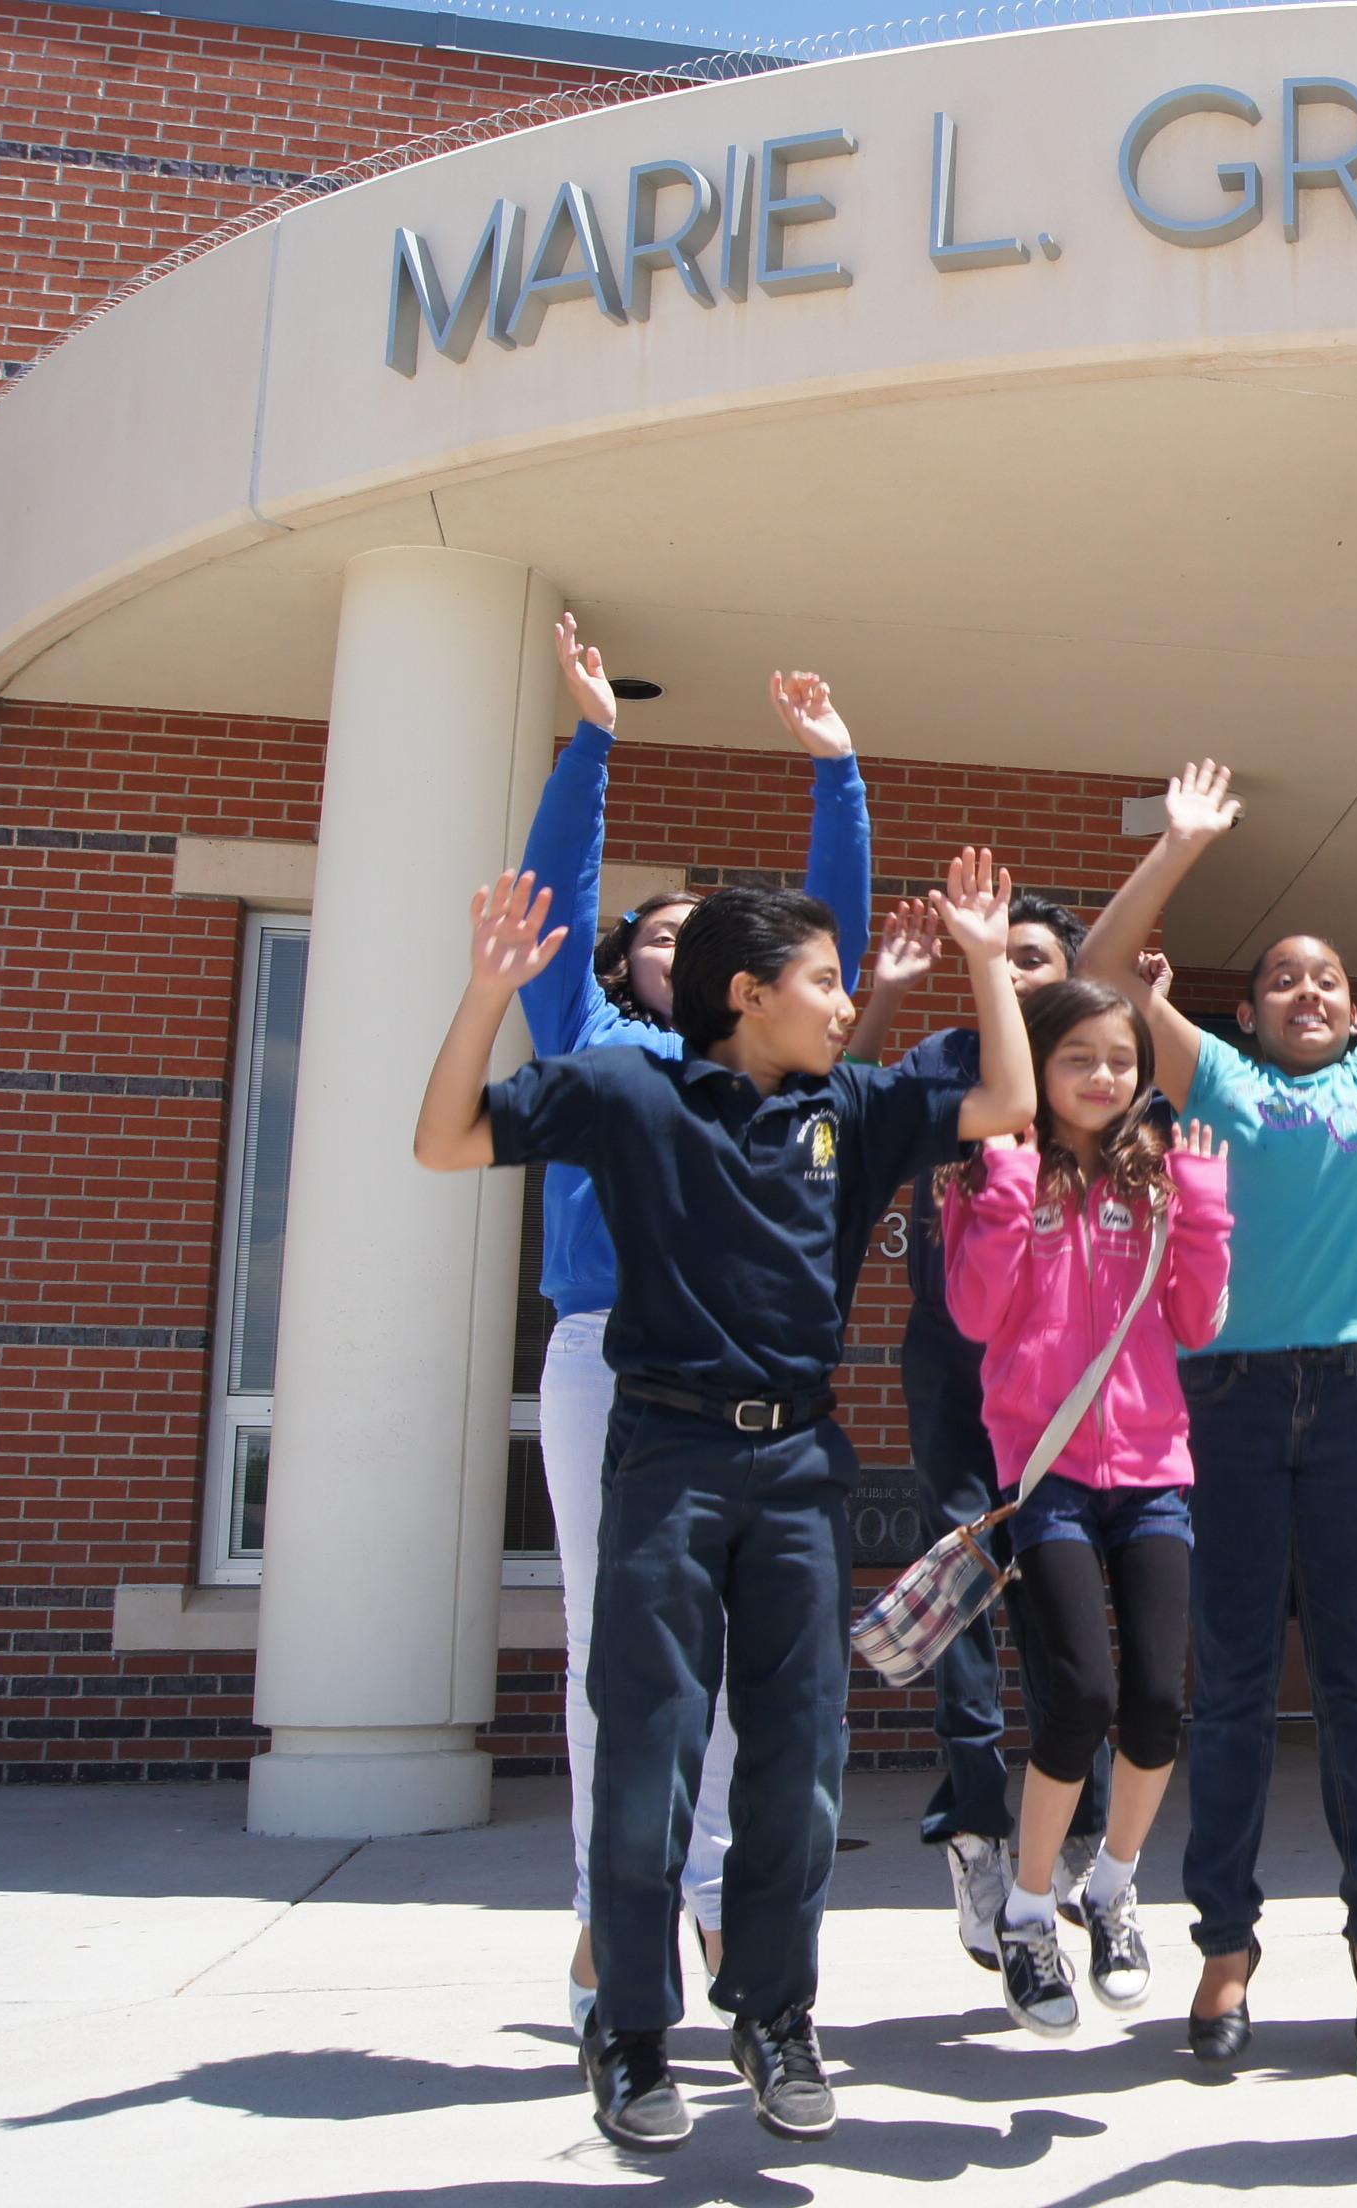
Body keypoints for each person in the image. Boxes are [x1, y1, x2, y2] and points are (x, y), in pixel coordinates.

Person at [413, 849, 1036, 2151]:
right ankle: (633, 2031)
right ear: (749, 993)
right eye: (821, 977)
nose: (840, 995)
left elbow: (1004, 1100)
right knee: (649, 1747)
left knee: (799, 1760)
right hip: (667, 1458)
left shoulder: (850, 1110)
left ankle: (772, 2016)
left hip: (800, 1464)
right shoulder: (630, 1093)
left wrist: (988, 956)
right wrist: (487, 992)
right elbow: (445, 1137)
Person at [1075, 748, 1357, 2063]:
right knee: (1233, 1688)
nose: (1312, 990)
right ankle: (1227, 1949)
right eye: (1286, 978)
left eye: (1333, 981)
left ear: (1355, 1012)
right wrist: (1180, 843)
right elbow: (1096, 969)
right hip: (1233, 1406)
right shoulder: (1221, 1084)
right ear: (1248, 1013)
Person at [513, 617, 881, 2036]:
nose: (675, 941)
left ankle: (721, 1900)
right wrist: (595, 738)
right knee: (615, 1647)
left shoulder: (774, 1071)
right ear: (625, 962)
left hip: (750, 1384)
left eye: (697, 932)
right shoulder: (596, 1055)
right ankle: (611, 1917)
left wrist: (836, 776)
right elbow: (557, 892)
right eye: (650, 931)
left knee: (745, 1663)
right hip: (610, 1357)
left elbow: (824, 937)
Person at [942, 981, 1237, 2033]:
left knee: (1157, 1698)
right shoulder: (994, 1169)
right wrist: (1012, 1180)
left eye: (1119, 1059)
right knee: (1076, 1695)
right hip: (1048, 1469)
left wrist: (1202, 1198)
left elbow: (1197, 1322)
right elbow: (976, 1313)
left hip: (1154, 1469)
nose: (1103, 1077)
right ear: (1038, 1063)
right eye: (1079, 1058)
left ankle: (1111, 1888)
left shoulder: (1155, 1180)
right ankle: (1027, 1914)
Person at [884, 894, 1118, 1978]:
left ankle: (1075, 1830)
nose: (1021, 974)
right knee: (965, 1578)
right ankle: (977, 1830)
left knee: (1064, 1594)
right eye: (1007, 956)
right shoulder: (946, 1061)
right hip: (952, 1361)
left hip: (1059, 1381)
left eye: (1040, 959)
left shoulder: (1097, 1074)